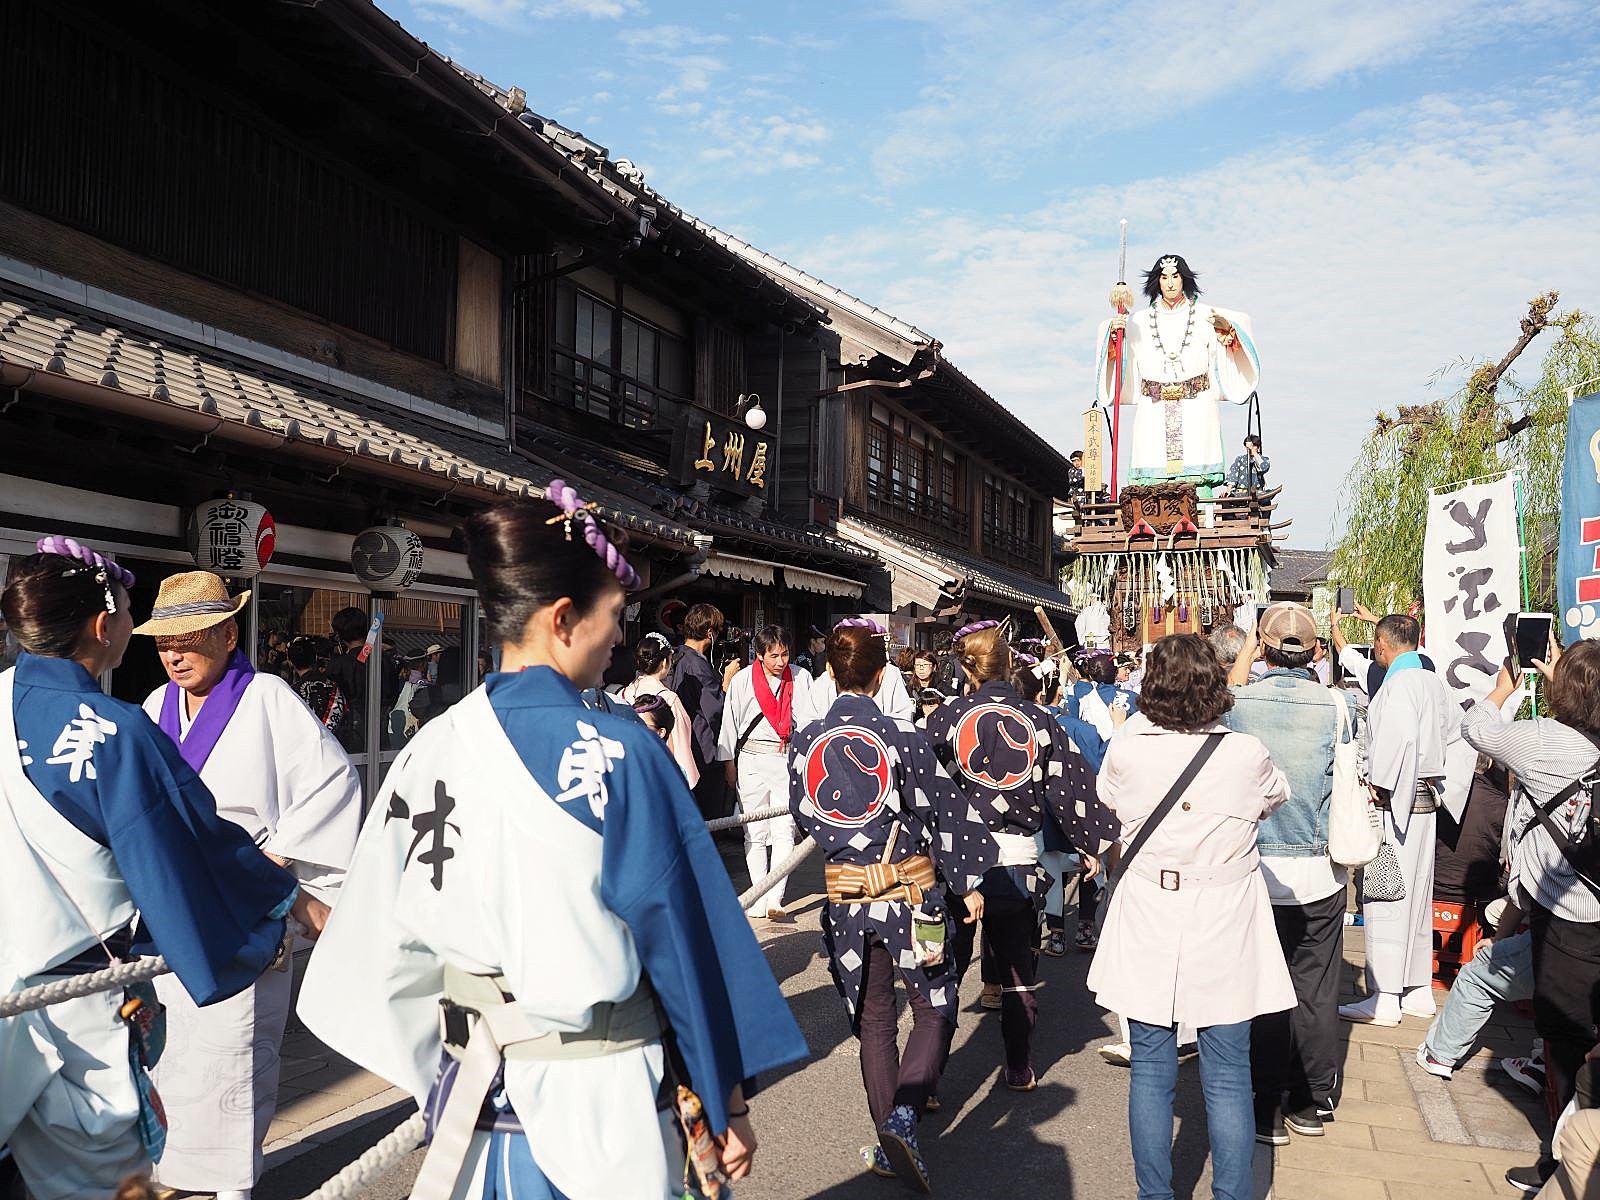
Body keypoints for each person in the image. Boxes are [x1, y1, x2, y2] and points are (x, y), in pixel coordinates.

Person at [296, 485, 808, 1198]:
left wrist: (433, 1060)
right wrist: (726, 1097)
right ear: (563, 619)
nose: (621, 639)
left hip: (474, 1097)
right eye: (614, 618)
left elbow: (376, 940)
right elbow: (686, 939)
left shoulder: (431, 747)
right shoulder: (620, 752)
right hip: (606, 1099)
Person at [0, 538, 298, 1200]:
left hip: (9, 987)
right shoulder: (114, 727)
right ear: (104, 626)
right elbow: (186, 846)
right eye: (137, 618)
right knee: (93, 1182)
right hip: (75, 1005)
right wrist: (276, 902)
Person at [134, 571, 362, 1200]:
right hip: (176, 906)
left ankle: (236, 1184)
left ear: (228, 633)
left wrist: (278, 861)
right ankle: (174, 1174)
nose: (175, 654)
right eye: (163, 643)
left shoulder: (267, 698)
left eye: (190, 638)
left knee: (238, 1051)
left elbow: (332, 783)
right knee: (170, 1054)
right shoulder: (155, 707)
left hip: (247, 900)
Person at [788, 623, 996, 1191]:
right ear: (884, 675)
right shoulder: (904, 737)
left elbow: (805, 814)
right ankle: (903, 1120)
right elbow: (947, 814)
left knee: (874, 1019)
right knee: (934, 1003)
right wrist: (967, 880)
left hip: (847, 897)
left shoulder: (806, 741)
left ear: (831, 672)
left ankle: (888, 1135)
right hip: (910, 892)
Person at [1087, 632, 1295, 1200]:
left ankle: (1154, 1195)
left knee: (1152, 1067)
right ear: (1215, 687)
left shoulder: (1128, 750)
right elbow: (1275, 797)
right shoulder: (1245, 754)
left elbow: (1109, 799)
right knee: (1228, 1072)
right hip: (1225, 914)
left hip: (1150, 909)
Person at [927, 621, 1116, 1091]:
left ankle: (928, 1080)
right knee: (1016, 969)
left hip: (955, 863)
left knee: (945, 970)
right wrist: (1089, 843)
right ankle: (1018, 1065)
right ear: (1009, 664)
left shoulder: (945, 720)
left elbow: (924, 790)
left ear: (965, 668)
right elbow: (1069, 788)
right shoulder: (1037, 720)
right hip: (1016, 860)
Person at [1461, 640, 1600, 1195]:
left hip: (1571, 918)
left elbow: (1479, 730)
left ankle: (1568, 1161)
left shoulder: (1549, 741)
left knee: (1566, 1041)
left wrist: (1504, 685)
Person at [1223, 604, 1351, 1142]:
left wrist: (1248, 647)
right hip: (1318, 868)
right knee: (1316, 989)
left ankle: (1264, 1105)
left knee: (1261, 989)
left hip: (1256, 867)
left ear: (1264, 647)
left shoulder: (1239, 704)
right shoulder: (1336, 706)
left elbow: (1225, 694)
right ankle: (1310, 1098)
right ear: (1316, 649)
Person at [1340, 613, 1472, 1028]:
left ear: (1381, 644)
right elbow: (1456, 732)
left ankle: (1385, 996)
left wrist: (1378, 783)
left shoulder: (1400, 684)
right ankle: (1416, 991)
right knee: (1416, 894)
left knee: (1386, 896)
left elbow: (1394, 741)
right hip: (1426, 801)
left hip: (1396, 803)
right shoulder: (1434, 682)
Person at [1095, 254, 1260, 491]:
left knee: (1196, 476)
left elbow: (1234, 342)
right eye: (1164, 277)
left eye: (1175, 277)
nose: (1170, 283)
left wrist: (1227, 330)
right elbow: (1117, 356)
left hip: (1196, 402)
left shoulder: (1205, 315)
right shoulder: (1137, 321)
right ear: (1157, 281)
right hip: (1154, 404)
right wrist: (1115, 335)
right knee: (1153, 474)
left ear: (1184, 279)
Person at [718, 625, 817, 921]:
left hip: (786, 758)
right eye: (773, 655)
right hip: (751, 757)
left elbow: (811, 722)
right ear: (759, 655)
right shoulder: (743, 680)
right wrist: (728, 763)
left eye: (784, 654)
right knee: (754, 830)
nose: (780, 661)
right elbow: (729, 723)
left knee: (784, 829)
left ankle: (776, 897)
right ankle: (758, 893)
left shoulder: (801, 677)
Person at [668, 602, 741, 819]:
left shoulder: (674, 656)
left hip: (679, 744)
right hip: (702, 748)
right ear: (710, 632)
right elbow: (715, 710)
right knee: (708, 815)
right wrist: (727, 681)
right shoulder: (698, 665)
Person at [617, 632, 699, 786]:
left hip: (629, 768)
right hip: (659, 772)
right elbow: (681, 748)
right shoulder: (668, 699)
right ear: (663, 663)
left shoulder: (624, 693)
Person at [326, 605, 402, 754]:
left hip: (348, 736)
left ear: (340, 635)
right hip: (381, 733)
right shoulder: (386, 661)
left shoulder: (338, 665)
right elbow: (394, 694)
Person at [810, 622, 916, 720]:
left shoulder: (891, 673)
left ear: (830, 670)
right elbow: (903, 722)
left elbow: (806, 722)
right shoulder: (889, 673)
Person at [287, 634, 351, 740]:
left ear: (290, 662)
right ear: (315, 658)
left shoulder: (291, 691)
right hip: (334, 745)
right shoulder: (333, 685)